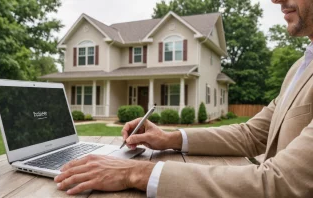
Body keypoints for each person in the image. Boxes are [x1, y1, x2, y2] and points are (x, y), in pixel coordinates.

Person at [54, 0, 313, 197]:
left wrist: (135, 172)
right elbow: (251, 134)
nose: (276, 0)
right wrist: (170, 138)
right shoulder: (300, 68)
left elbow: (282, 181)